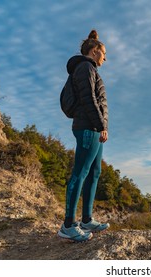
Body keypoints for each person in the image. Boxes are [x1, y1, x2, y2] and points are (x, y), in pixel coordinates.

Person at [58, 30, 110, 242]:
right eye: (104, 53)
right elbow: (89, 99)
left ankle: (87, 219)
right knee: (80, 173)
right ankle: (68, 225)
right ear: (94, 50)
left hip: (95, 129)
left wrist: (101, 126)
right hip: (88, 127)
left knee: (94, 173)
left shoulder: (90, 69)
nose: (105, 58)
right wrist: (100, 125)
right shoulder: (85, 67)